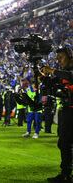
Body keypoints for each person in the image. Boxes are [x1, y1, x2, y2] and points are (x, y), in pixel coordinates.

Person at [42, 47, 73, 183]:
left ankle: (66, 174)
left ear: (70, 56)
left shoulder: (67, 72)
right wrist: (44, 78)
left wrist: (53, 71)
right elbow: (56, 85)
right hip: (66, 110)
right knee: (64, 143)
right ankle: (66, 173)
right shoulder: (63, 72)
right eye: (57, 58)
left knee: (66, 143)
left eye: (61, 57)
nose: (59, 60)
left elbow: (70, 76)